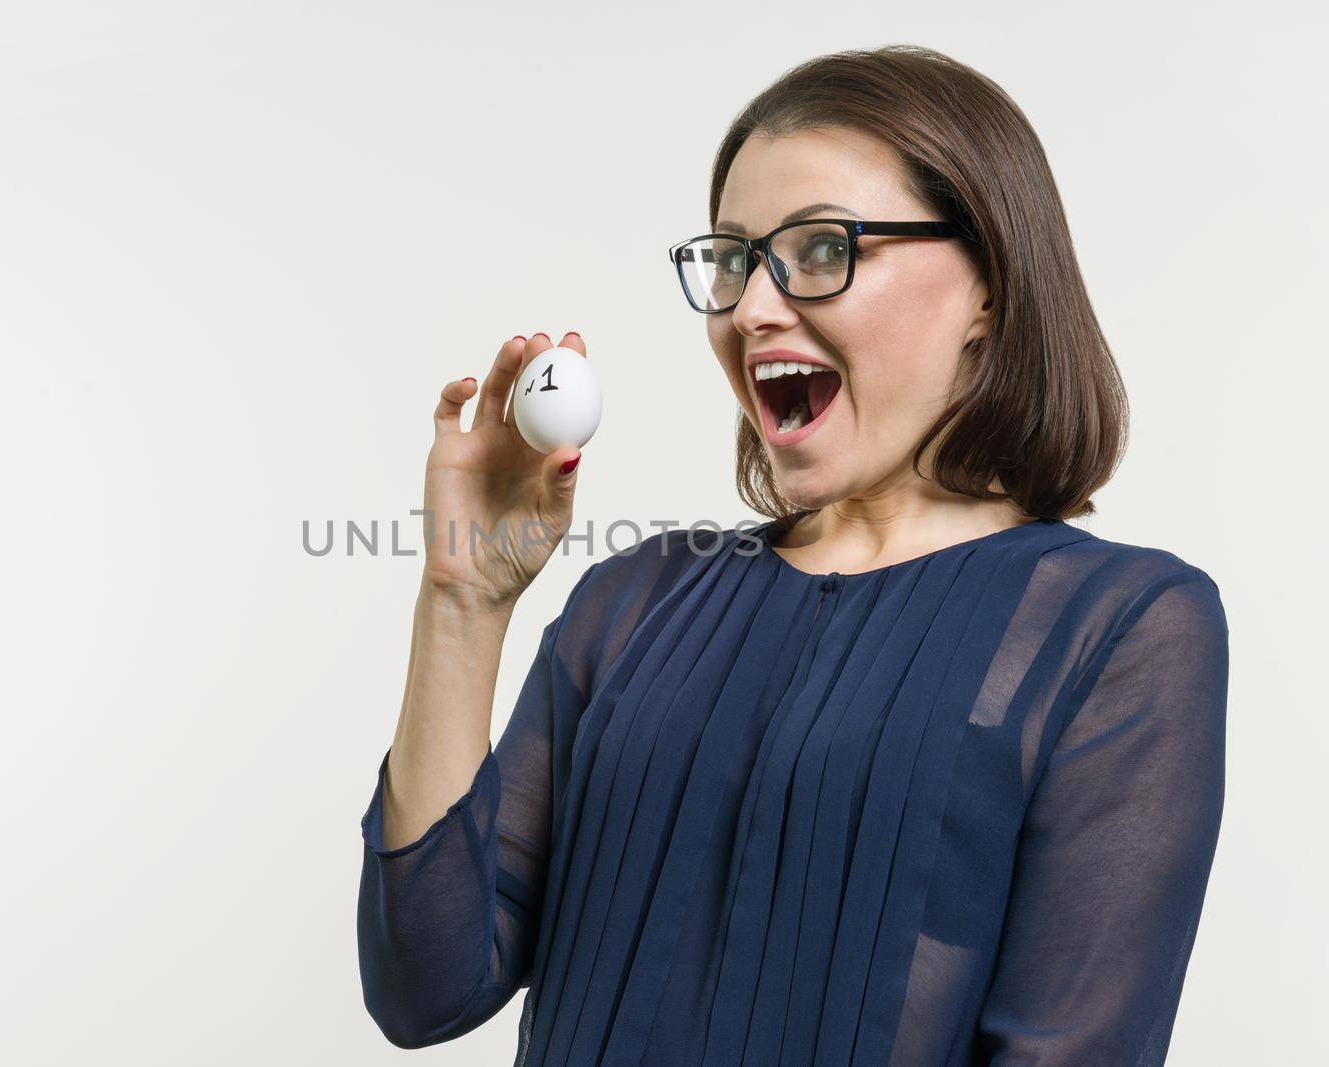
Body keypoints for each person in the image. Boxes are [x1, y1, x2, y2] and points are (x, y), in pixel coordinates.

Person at [356, 44, 1228, 1066]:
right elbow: (423, 986)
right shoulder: (632, 602)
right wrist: (463, 602)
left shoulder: (1120, 626)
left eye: (822, 249)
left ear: (987, 287)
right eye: (732, 259)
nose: (752, 309)